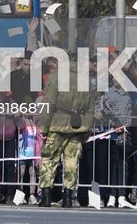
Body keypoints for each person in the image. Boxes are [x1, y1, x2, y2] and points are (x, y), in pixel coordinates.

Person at [37, 59, 94, 208]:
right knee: (71, 162)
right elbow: (90, 107)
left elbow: (48, 103)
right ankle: (68, 197)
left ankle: (46, 196)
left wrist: (43, 127)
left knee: (49, 160)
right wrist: (87, 127)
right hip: (77, 126)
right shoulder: (85, 79)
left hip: (57, 124)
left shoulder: (56, 77)